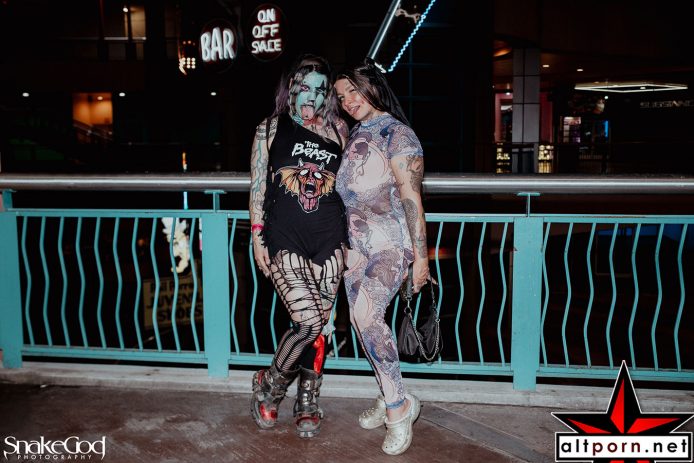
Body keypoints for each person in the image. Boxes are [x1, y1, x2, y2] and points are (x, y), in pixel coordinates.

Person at [334, 59, 431, 455]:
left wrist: (421, 259)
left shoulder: (398, 134)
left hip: (390, 246)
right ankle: (391, 391)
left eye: (353, 90)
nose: (347, 100)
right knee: (365, 326)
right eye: (341, 96)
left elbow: (412, 199)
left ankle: (398, 409)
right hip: (357, 251)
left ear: (373, 86)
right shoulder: (356, 133)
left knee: (366, 315)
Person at [248, 54, 348, 438]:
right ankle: (271, 385)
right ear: (291, 87)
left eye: (320, 90)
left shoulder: (339, 130)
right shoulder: (270, 128)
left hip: (330, 240)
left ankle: (307, 399)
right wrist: (257, 236)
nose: (312, 96)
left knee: (318, 328)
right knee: (307, 322)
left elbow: (353, 188)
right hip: (284, 238)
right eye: (305, 87)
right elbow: (258, 187)